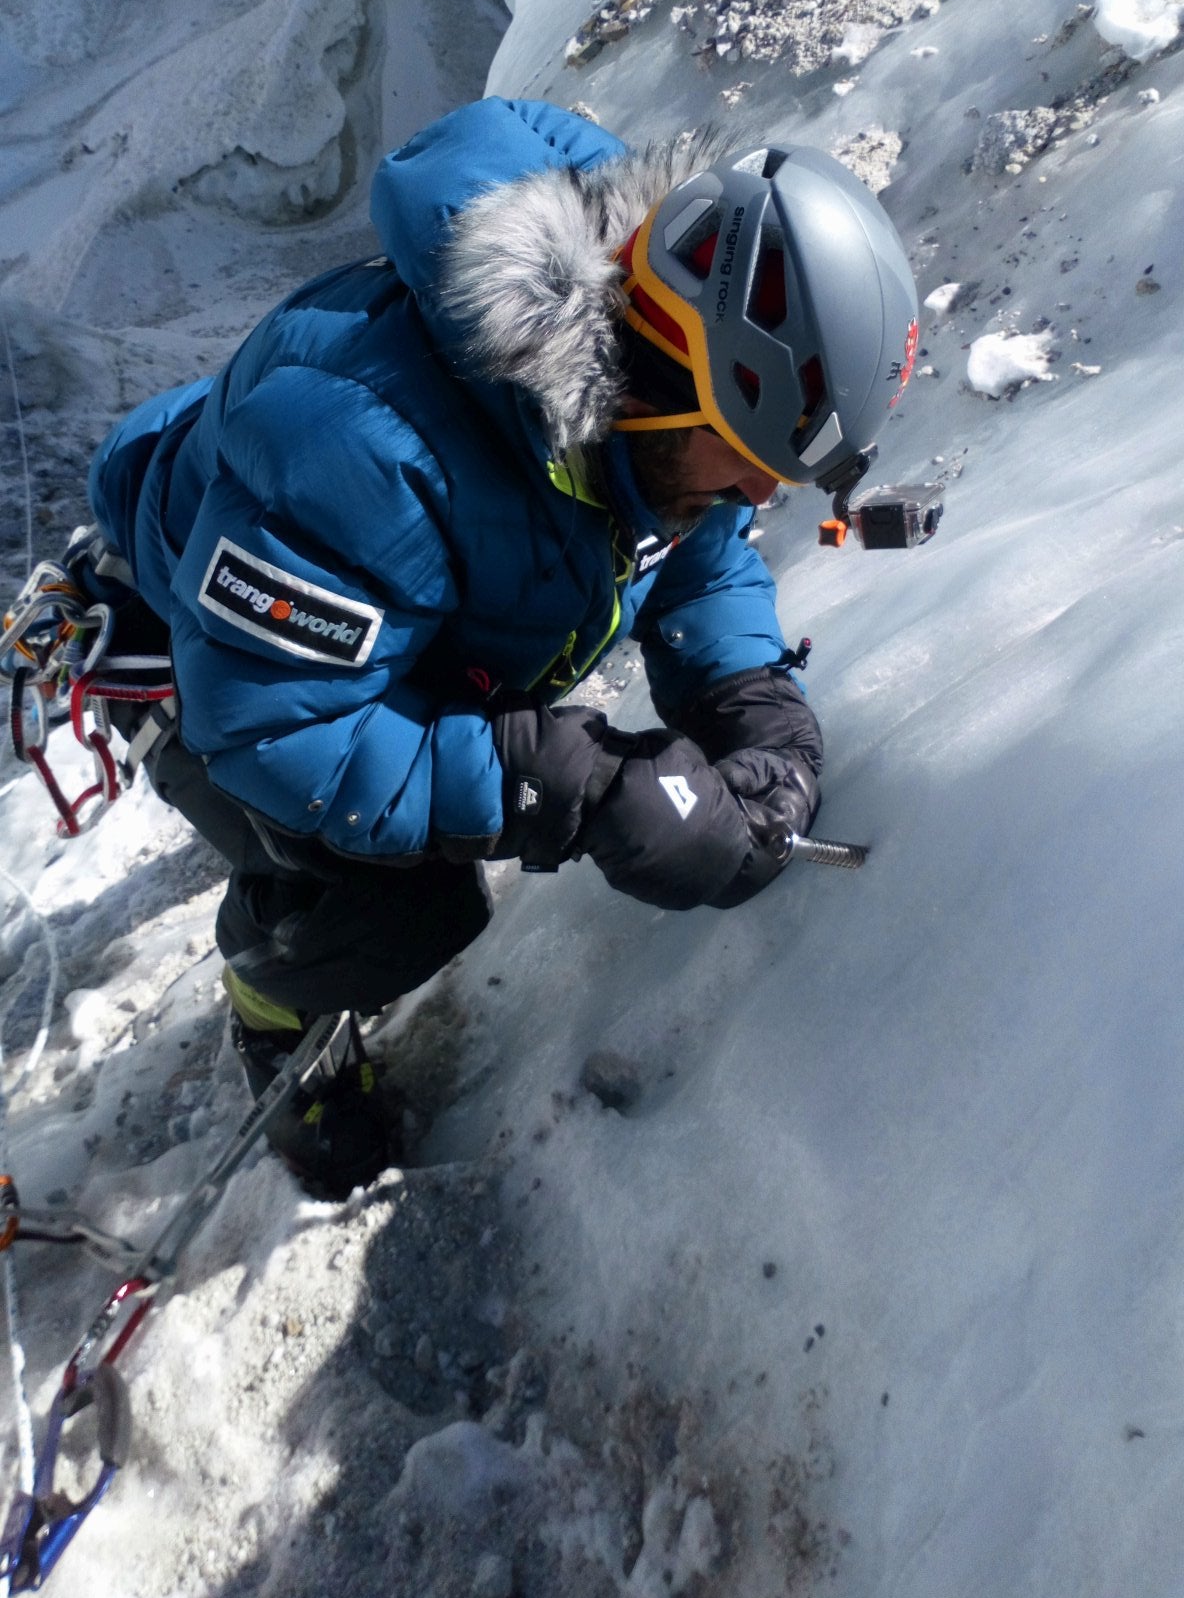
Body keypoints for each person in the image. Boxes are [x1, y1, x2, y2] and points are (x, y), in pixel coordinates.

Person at [84, 98, 919, 1195]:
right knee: (405, 903)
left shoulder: (638, 407)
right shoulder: (361, 443)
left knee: (438, 792)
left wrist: (750, 699)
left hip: (372, 611)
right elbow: (276, 722)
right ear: (664, 391)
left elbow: (692, 551)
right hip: (209, 643)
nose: (761, 493)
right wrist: (558, 781)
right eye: (748, 455)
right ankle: (277, 1007)